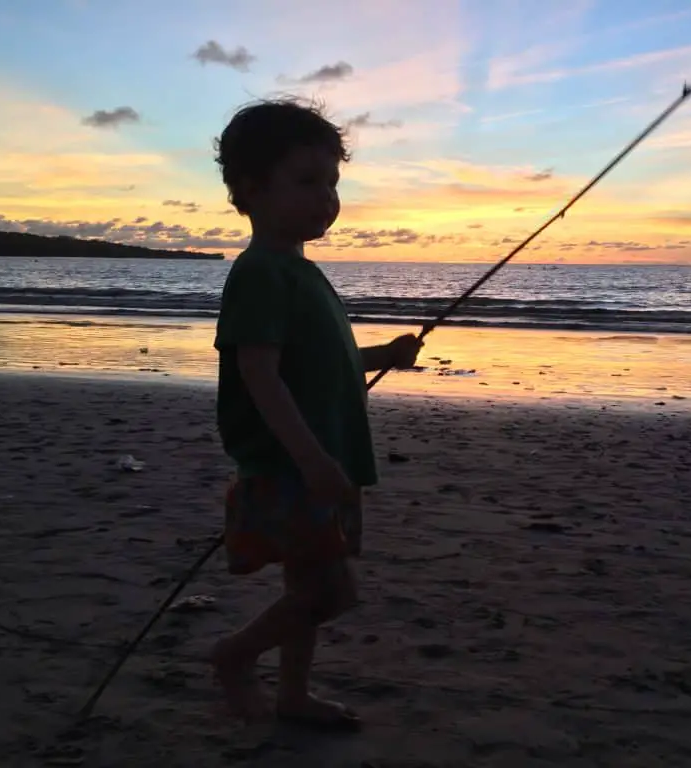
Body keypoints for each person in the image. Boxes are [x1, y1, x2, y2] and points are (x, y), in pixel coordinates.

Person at [209, 97, 422, 729]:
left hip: (324, 461)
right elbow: (259, 374)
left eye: (332, 183)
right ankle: (234, 655)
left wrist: (382, 353)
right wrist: (312, 459)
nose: (325, 198)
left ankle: (292, 695)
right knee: (330, 594)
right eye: (307, 181)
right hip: (296, 466)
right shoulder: (260, 275)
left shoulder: (302, 272)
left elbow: (321, 364)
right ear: (250, 189)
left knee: (306, 592)